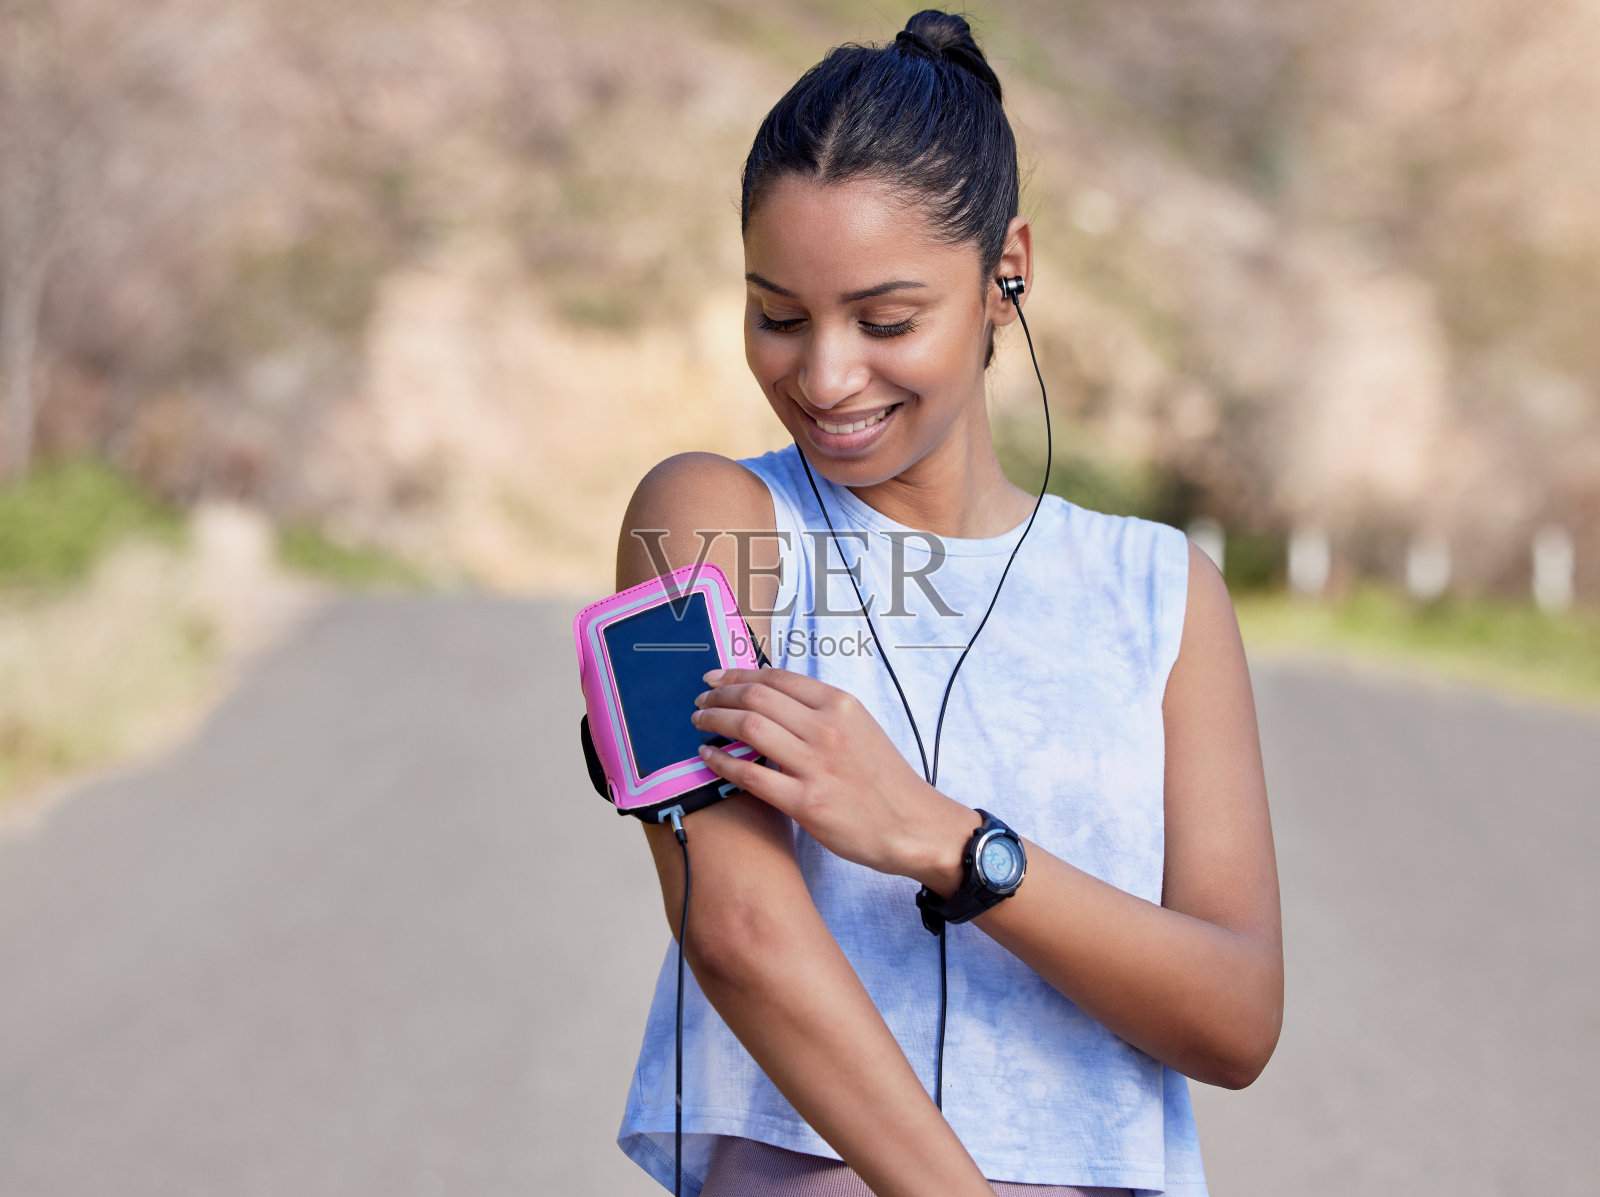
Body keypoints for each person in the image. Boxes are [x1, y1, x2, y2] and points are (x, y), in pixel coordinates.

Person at [611, 10, 1282, 1196]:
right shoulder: (702, 524)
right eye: (777, 315)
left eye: (885, 321)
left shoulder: (1162, 593)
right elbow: (738, 929)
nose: (822, 377)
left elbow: (1233, 1019)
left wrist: (944, 841)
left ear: (1006, 269)